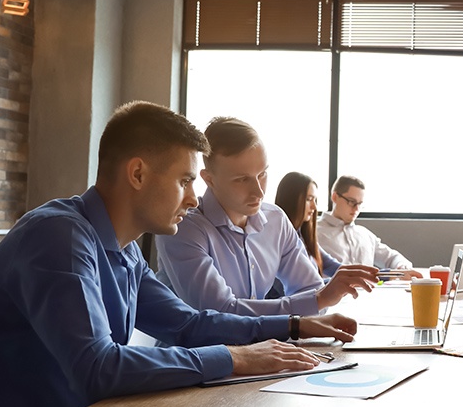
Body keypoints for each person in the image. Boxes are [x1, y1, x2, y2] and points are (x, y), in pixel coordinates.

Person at [0, 102, 356, 407]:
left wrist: (291, 327)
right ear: (138, 173)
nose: (195, 199)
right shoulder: (60, 237)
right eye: (185, 180)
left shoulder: (123, 249)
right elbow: (98, 367)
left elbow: (188, 324)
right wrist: (235, 358)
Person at [156, 119, 378, 316]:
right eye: (242, 179)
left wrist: (314, 303)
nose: (259, 192)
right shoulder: (183, 227)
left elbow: (310, 289)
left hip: (264, 347)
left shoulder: (275, 220)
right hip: (197, 357)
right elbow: (219, 314)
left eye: (262, 175)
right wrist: (314, 303)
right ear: (209, 179)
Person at [318, 175, 421, 277]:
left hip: (371, 292)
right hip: (330, 292)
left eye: (360, 204)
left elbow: (392, 258)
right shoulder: (313, 232)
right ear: (335, 197)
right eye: (351, 202)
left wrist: (402, 267)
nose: (356, 209)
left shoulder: (364, 234)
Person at [274, 171, 341, 279]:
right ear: (291, 200)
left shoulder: (302, 234)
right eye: (309, 199)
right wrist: (335, 283)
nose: (314, 207)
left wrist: (367, 274)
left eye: (315, 200)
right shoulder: (277, 240)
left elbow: (330, 265)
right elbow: (296, 289)